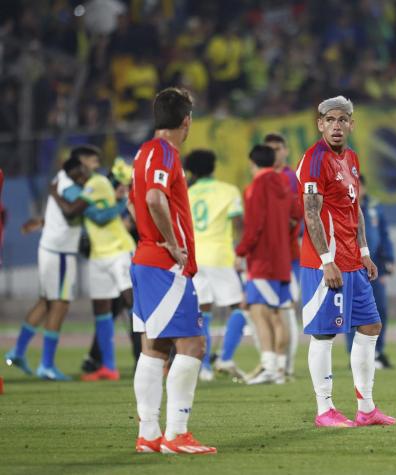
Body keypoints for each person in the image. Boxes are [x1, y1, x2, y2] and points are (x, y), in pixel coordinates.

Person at [296, 95, 396, 428]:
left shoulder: (351, 158)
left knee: (370, 327)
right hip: (327, 264)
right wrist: (327, 260)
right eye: (330, 120)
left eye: (343, 120)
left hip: (354, 262)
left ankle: (366, 408)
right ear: (320, 124)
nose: (336, 126)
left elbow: (355, 211)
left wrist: (365, 252)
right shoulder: (314, 160)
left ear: (352, 124)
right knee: (324, 335)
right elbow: (311, 213)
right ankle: (324, 409)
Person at [130, 87, 216, 455]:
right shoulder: (165, 153)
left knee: (155, 346)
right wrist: (172, 244)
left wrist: (150, 237)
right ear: (186, 121)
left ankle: (149, 434)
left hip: (146, 259)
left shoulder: (143, 152)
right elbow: (153, 198)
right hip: (166, 266)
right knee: (193, 344)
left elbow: (135, 200)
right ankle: (176, 433)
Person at [48, 146, 136, 382]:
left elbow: (93, 215)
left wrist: (55, 193)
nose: (77, 176)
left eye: (77, 172)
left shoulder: (97, 182)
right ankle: (109, 366)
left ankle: (158, 356)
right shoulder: (84, 187)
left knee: (133, 302)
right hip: (98, 255)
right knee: (101, 309)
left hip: (118, 250)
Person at [4, 152, 92, 380]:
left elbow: (62, 213)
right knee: (60, 304)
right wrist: (93, 196)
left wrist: (42, 222)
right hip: (61, 253)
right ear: (75, 170)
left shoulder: (60, 181)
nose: (86, 174)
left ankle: (18, 351)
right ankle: (47, 364)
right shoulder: (68, 184)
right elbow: (74, 209)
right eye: (83, 170)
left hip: (52, 249)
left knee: (46, 302)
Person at [235, 144, 298, 385]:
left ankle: (269, 367)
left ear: (253, 163)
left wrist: (241, 251)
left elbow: (255, 224)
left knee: (259, 312)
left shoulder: (255, 187)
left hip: (262, 260)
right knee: (280, 314)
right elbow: (296, 215)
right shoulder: (284, 183)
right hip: (283, 260)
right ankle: (280, 369)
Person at [184, 149, 247, 382]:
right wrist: (241, 252)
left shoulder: (187, 192)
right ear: (213, 166)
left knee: (204, 312)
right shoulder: (228, 190)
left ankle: (205, 369)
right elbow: (238, 223)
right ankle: (225, 358)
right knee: (241, 307)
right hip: (221, 256)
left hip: (196, 257)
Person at [345, 174, 396, 369]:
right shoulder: (344, 206)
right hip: (353, 266)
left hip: (375, 267)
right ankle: (354, 354)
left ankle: (377, 351)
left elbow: (384, 234)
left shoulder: (374, 207)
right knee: (353, 312)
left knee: (379, 311)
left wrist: (389, 259)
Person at [266, 132, 303, 379]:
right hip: (269, 255)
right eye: (270, 149)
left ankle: (285, 366)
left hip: (290, 255)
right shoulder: (264, 178)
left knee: (286, 308)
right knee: (271, 311)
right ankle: (275, 364)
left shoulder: (290, 178)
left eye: (278, 148)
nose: (275, 153)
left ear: (286, 151)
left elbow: (297, 215)